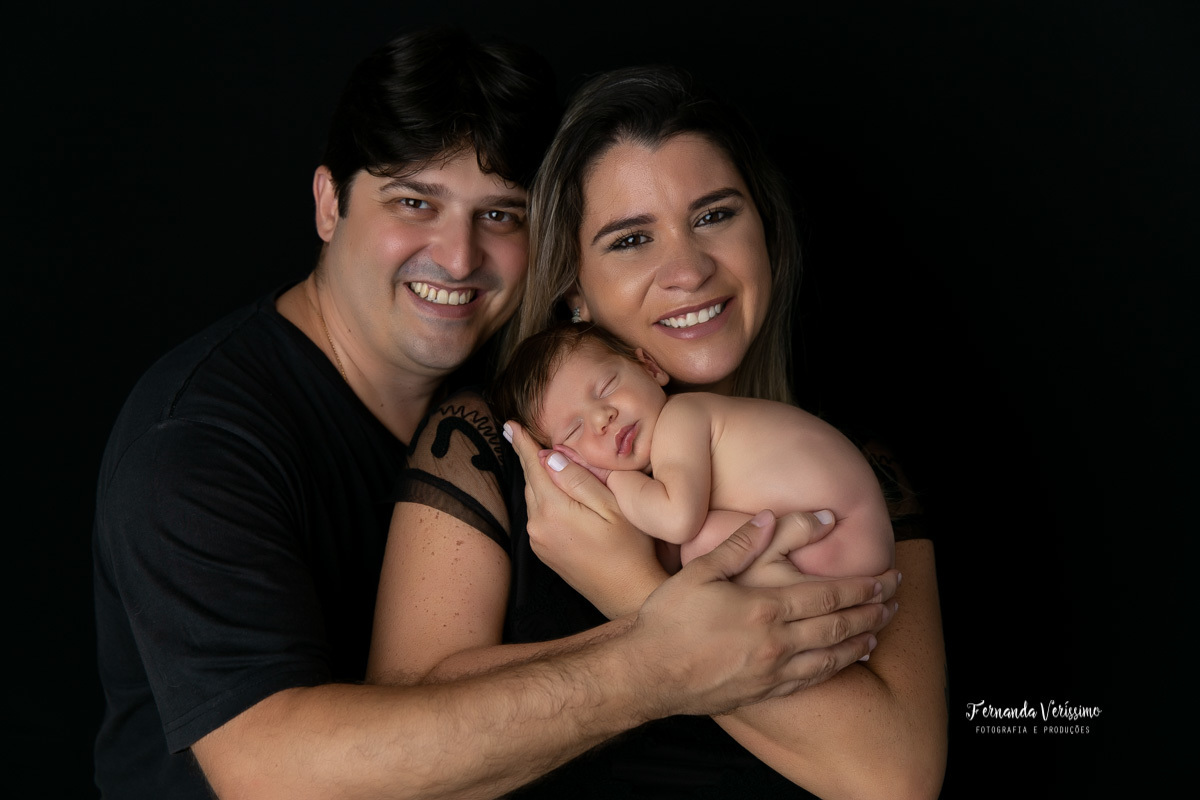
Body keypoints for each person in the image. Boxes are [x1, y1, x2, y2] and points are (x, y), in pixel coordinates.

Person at [92, 30, 899, 799]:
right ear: (328, 204)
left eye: (500, 214)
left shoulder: (540, 401)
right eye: (415, 202)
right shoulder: (198, 442)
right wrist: (657, 657)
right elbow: (271, 777)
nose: (458, 257)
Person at [369, 65, 946, 798]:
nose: (688, 269)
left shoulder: (860, 471)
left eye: (713, 216)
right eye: (631, 239)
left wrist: (632, 586)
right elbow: (395, 751)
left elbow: (894, 777)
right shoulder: (488, 445)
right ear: (573, 288)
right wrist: (657, 652)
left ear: (765, 233)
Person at [492, 321, 894, 575]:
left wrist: (611, 478)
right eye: (575, 429)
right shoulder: (668, 469)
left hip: (841, 532)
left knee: (700, 545)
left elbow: (678, 521)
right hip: (847, 540)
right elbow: (665, 556)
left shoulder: (682, 416)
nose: (602, 418)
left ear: (650, 368)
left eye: (606, 387)